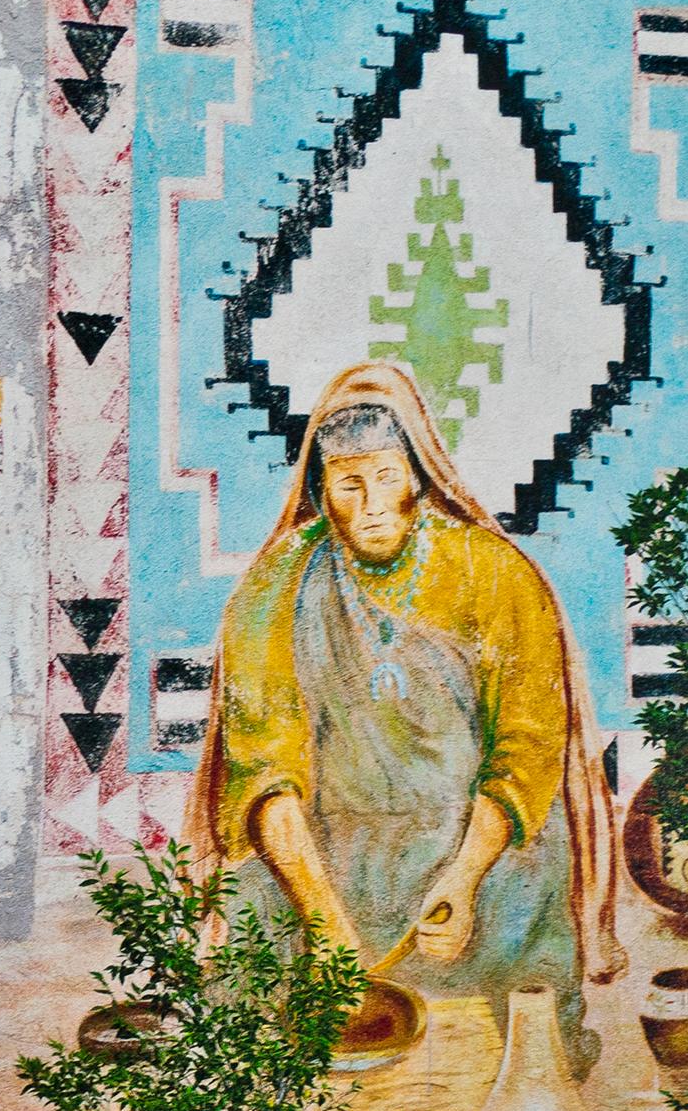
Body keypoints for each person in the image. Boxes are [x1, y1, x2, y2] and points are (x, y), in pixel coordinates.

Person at [185, 363, 626, 1069]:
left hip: (466, 840)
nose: (371, 506)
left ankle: (522, 1072)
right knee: (249, 905)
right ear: (321, 489)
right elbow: (263, 768)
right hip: (329, 847)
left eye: (386, 478)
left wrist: (462, 877)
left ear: (419, 475)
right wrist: (324, 922)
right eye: (349, 484)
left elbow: (528, 749)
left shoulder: (496, 574)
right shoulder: (275, 585)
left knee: (528, 878)